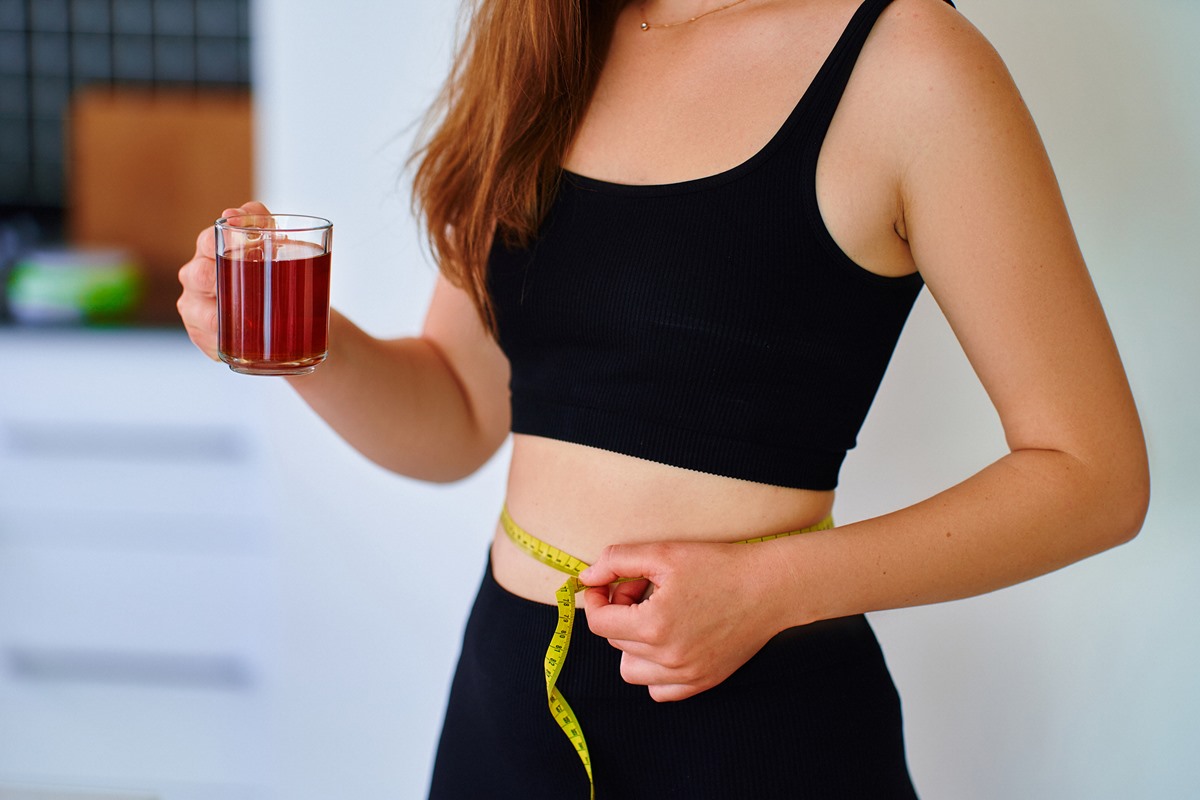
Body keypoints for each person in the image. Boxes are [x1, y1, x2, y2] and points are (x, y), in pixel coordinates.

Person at [177, 0, 1149, 796]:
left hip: (755, 733)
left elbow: (1092, 473)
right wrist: (299, 344)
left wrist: (766, 589)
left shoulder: (912, 65)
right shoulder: (545, 39)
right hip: (505, 715)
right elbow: (461, 414)